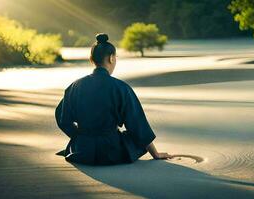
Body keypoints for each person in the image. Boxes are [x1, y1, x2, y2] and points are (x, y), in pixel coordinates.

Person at [55, 33, 172, 165]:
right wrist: (155, 154)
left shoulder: (75, 86)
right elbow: (138, 125)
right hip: (111, 152)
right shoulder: (121, 88)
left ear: (91, 59)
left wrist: (79, 138)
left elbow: (62, 119)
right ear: (111, 58)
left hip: (82, 152)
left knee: (89, 140)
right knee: (134, 138)